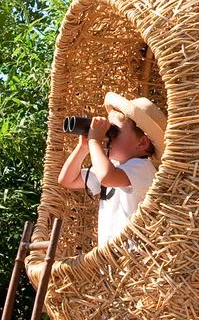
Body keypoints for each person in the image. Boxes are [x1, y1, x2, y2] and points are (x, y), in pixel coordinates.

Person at [57, 92, 166, 247]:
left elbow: (107, 177)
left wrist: (95, 141)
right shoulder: (113, 167)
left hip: (134, 259)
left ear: (142, 142)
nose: (108, 137)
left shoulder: (144, 168)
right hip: (111, 260)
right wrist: (83, 148)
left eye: (115, 132)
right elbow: (68, 180)